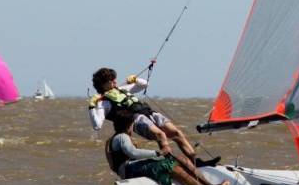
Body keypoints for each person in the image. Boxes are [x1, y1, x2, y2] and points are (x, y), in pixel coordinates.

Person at [88, 67, 219, 167]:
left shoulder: (122, 89)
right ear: (102, 85)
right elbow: (97, 125)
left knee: (177, 133)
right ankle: (170, 166)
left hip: (149, 113)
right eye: (110, 80)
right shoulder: (102, 102)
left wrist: (135, 80)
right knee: (160, 135)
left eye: (114, 79)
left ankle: (196, 162)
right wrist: (92, 107)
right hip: (136, 119)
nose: (114, 81)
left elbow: (144, 84)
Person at [106, 109, 229, 185]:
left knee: (182, 159)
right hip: (129, 170)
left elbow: (119, 161)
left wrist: (156, 156)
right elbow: (132, 153)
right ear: (130, 124)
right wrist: (158, 153)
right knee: (171, 166)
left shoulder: (119, 137)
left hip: (134, 167)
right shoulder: (121, 137)